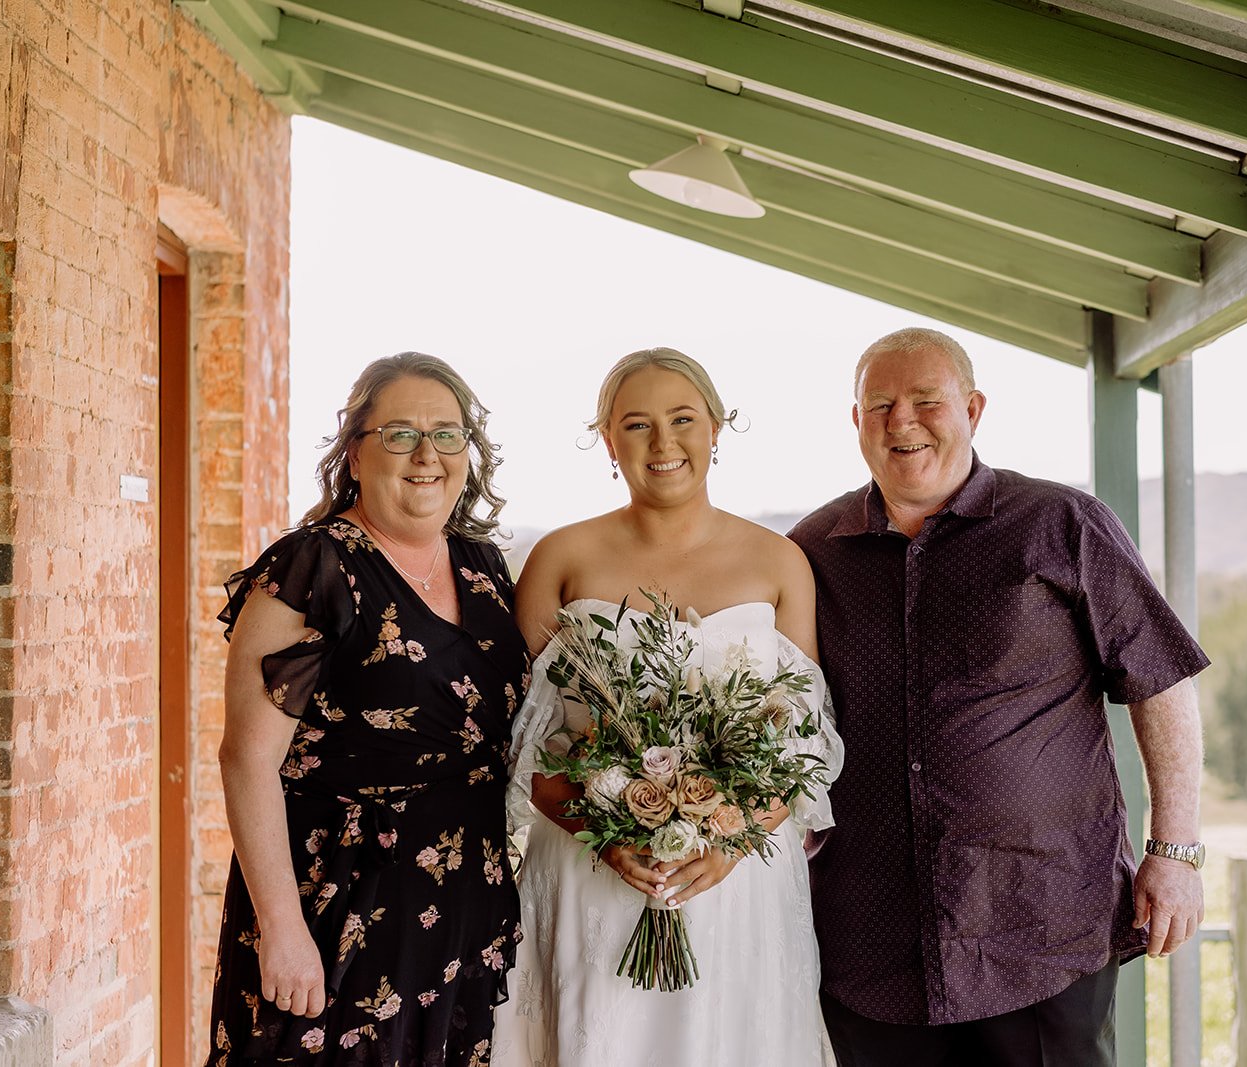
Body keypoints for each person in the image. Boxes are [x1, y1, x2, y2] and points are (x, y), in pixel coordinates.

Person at [789, 327, 1210, 1066]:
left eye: (927, 400)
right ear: (854, 420)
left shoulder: (1060, 523)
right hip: (871, 936)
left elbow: (1161, 682)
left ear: (973, 408)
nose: (903, 421)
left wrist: (1174, 853)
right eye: (880, 404)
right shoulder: (810, 551)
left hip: (1043, 922)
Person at [491, 348, 843, 1067]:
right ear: (607, 439)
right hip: (592, 873)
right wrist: (604, 832)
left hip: (735, 883)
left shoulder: (780, 561)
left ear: (716, 427)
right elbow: (519, 745)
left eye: (683, 419)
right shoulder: (559, 557)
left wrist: (735, 836)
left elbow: (804, 742)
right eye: (636, 424)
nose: (663, 443)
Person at [207, 353, 528, 1066]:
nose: (427, 454)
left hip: (461, 905)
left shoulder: (483, 564)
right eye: (400, 433)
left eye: (447, 434)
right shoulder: (312, 567)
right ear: (355, 450)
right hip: (334, 906)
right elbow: (246, 759)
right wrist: (282, 928)